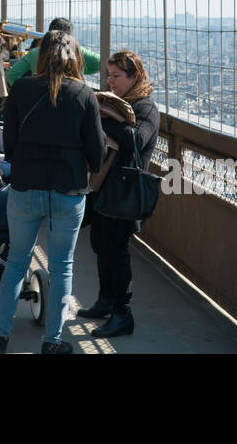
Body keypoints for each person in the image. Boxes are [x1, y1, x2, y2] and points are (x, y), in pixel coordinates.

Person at [0, 31, 104, 355]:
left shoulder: (22, 89)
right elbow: (97, 155)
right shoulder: (84, 94)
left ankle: (0, 336)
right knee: (62, 266)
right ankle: (52, 341)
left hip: (25, 187)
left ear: (40, 57)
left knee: (17, 262)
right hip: (68, 190)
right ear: (75, 58)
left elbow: (8, 144)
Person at [78, 51, 161, 338]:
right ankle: (105, 300)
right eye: (108, 75)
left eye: (116, 76)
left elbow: (137, 140)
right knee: (100, 243)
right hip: (104, 186)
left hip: (124, 191)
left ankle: (123, 313)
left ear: (134, 76)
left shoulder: (145, 107)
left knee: (117, 251)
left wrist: (105, 118)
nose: (110, 81)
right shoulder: (122, 104)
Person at [5, 17, 103, 88]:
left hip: (40, 95)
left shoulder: (35, 53)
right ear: (70, 36)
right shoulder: (76, 50)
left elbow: (11, 75)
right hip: (71, 95)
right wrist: (79, 68)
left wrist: (27, 91)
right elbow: (101, 63)